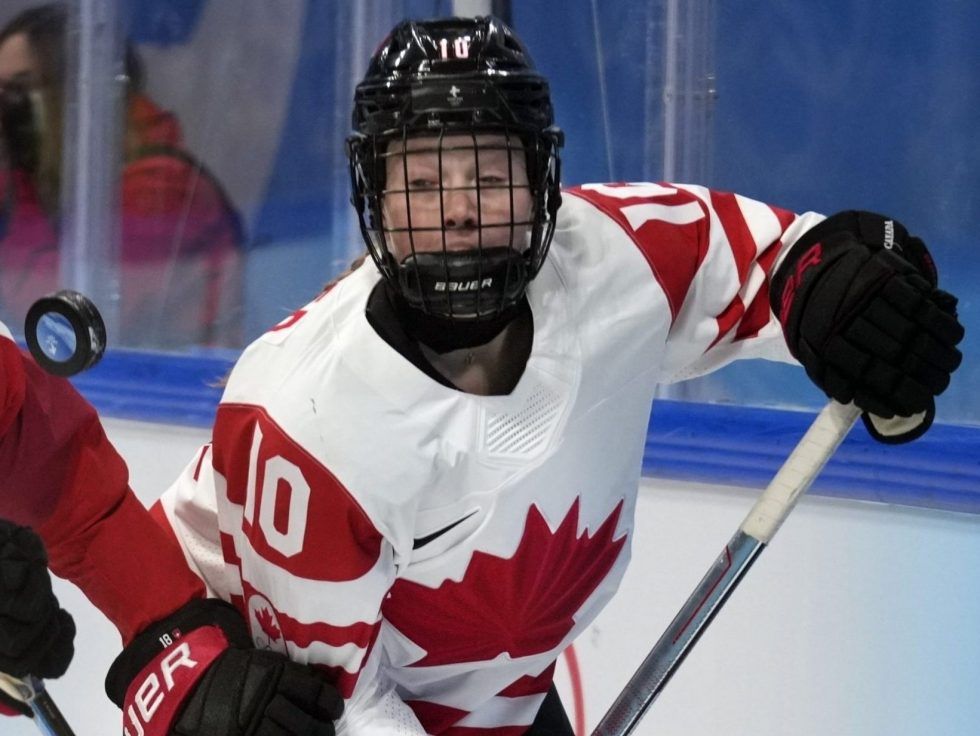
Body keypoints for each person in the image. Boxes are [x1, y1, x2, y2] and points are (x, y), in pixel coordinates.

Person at [0, 15, 965, 736]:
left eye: (489, 179)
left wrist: (842, 291)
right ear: (371, 201)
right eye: (422, 187)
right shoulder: (306, 419)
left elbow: (775, 264)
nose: (458, 215)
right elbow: (334, 706)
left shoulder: (618, 252)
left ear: (546, 186)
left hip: (482, 689)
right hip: (271, 681)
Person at [0, 3, 244, 349]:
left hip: (168, 391)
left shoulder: (161, 188)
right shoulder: (59, 186)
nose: (7, 111)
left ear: (76, 95)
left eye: (21, 91)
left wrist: (18, 178)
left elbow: (56, 321)